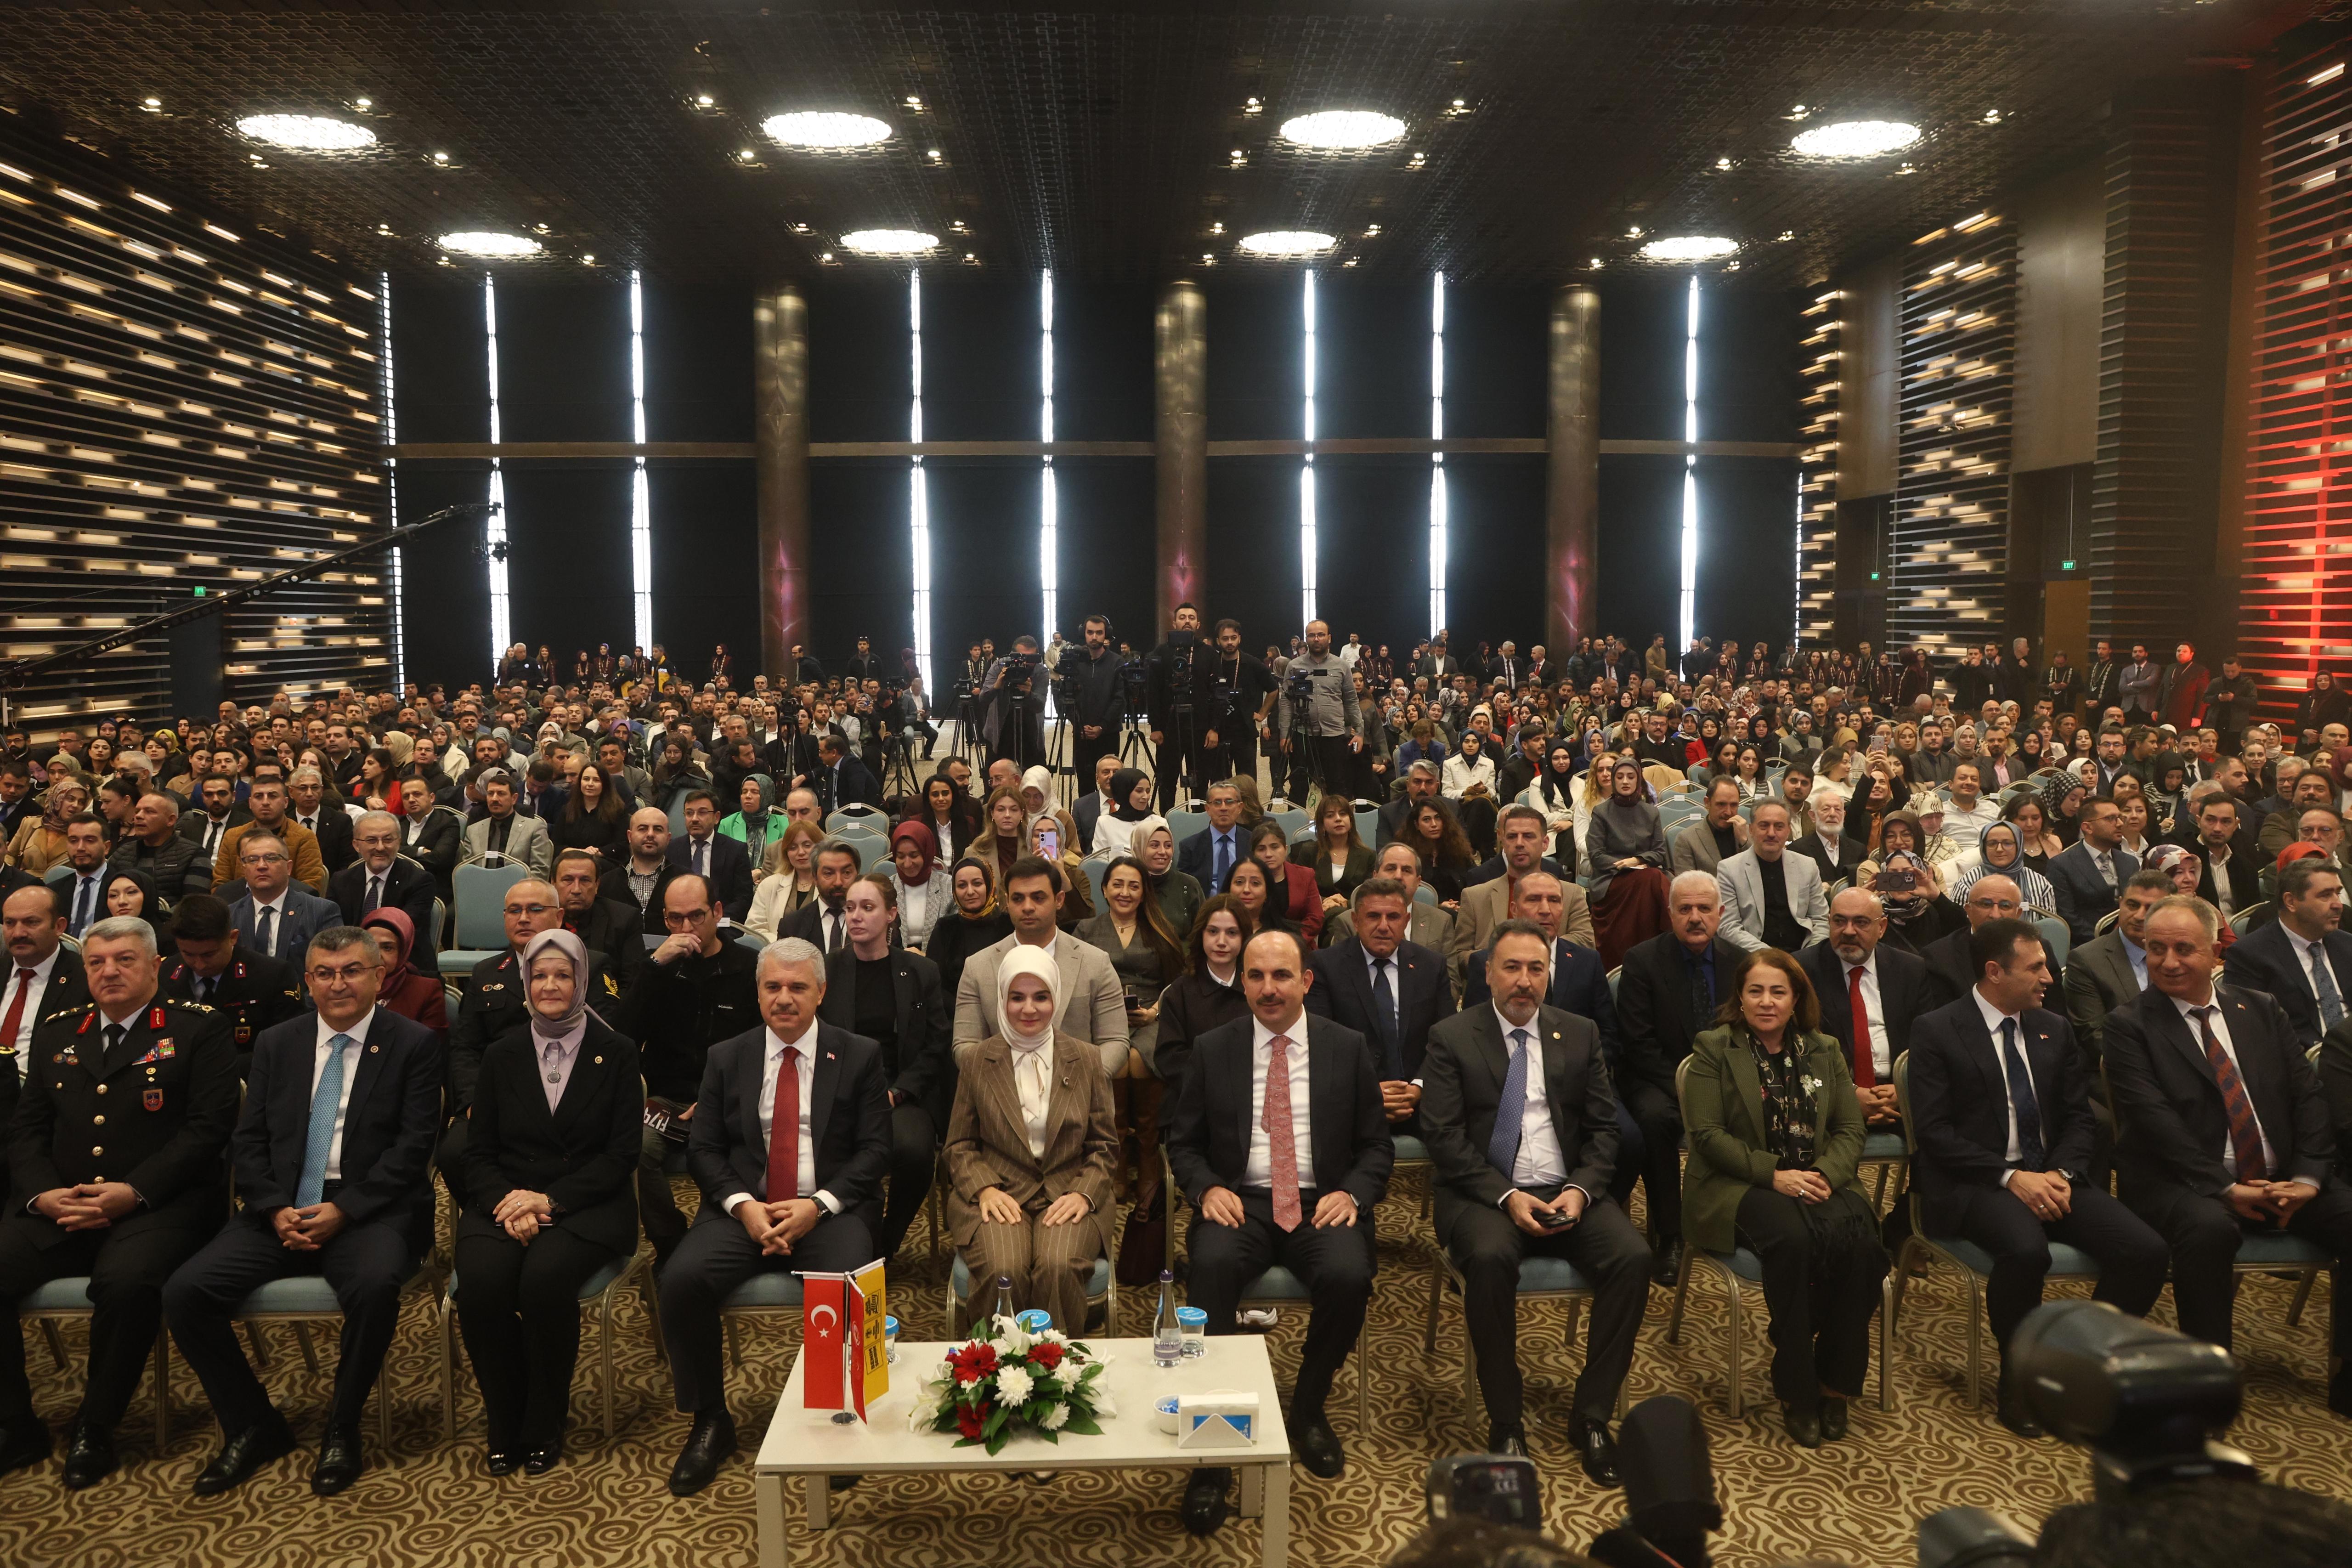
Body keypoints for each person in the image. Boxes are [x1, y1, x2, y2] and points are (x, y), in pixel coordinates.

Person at [161, 924, 443, 1495]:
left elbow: (414, 1148)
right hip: (282, 1207)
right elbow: (250, 1138)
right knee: (184, 1293)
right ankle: (252, 1422)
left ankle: (343, 1424)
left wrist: (345, 1211)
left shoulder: (412, 1042)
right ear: (308, 980)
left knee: (372, 1286)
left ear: (379, 975)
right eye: (324, 972)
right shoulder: (277, 1042)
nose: (337, 983)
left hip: (372, 1208)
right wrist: (271, 1207)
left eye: (351, 971)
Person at [1903, 916, 2169, 1433]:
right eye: (2036, 967)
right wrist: (2010, 1178)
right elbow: (1934, 1133)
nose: (2049, 976)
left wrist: (2061, 1172)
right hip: (1973, 1181)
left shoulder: (2053, 1027)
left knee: (2145, 1250)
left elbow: (2079, 1116)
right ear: (1994, 971)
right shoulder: (1937, 1029)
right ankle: (2019, 1377)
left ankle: (2083, 1366)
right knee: (2026, 1250)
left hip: (2051, 1174)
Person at [1165, 928, 1391, 1531]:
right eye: (1258, 976)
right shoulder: (1215, 1048)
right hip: (1242, 1201)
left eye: (1282, 976)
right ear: (1244, 982)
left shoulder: (1347, 1047)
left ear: (1306, 982)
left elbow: (1376, 1145)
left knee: (1349, 1274)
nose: (1270, 989)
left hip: (1322, 1202)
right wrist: (1207, 1187)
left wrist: (1354, 1193)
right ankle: (1212, 1452)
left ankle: (1309, 1407)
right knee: (1210, 1269)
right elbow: (1182, 1142)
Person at [0, 917, 237, 1487]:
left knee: (127, 1283)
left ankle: (95, 1423)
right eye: (97, 961)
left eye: (124, 959)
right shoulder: (62, 1030)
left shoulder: (197, 1028)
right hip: (64, 1204)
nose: (108, 971)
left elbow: (208, 1130)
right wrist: (41, 1195)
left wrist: (133, 1191)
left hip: (162, 1204)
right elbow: (27, 1129)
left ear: (155, 965)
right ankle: (16, 1424)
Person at [657, 939, 894, 1497]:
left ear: (821, 992)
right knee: (680, 1280)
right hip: (746, 1208)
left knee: (851, 1284)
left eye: (797, 987)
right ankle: (711, 1420)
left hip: (829, 1208)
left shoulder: (858, 1053)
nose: (784, 998)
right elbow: (705, 1150)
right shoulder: (727, 1055)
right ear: (758, 991)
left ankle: (838, 1414)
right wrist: (744, 1207)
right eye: (772, 987)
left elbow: (876, 1151)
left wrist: (818, 1205)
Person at [1419, 919, 1651, 1480]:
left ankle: (1592, 1415)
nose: (1524, 980)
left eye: (1535, 968)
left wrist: (1580, 1189)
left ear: (1548, 973)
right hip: (1483, 1190)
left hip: (1565, 1187)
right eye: (1512, 967)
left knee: (1633, 1257)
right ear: (1488, 973)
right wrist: (1505, 1195)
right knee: (1492, 1259)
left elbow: (1603, 1129)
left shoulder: (1578, 1031)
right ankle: (1506, 1417)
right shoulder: (1451, 1036)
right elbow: (1444, 1138)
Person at [2103, 895, 2352, 1413]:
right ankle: (2206, 1380)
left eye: (2182, 948)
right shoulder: (2129, 1025)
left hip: (2279, 1177)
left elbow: (2306, 1096)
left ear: (2215, 951)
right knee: (2209, 1229)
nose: (2167, 961)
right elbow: (2155, 1124)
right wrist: (2223, 1187)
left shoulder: (2258, 1007)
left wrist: (2307, 1177)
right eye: (2154, 949)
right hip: (2178, 1181)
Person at [1681, 947, 1888, 1447]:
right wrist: (1777, 1174)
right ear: (1740, 997)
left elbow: (1847, 1128)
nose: (1766, 1001)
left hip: (1820, 1177)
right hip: (1739, 1182)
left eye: (1778, 991)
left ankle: (1833, 1384)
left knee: (1864, 1244)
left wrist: (1819, 1172)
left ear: (1796, 999)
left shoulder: (1823, 1048)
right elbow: (1706, 1135)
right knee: (1793, 1239)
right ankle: (1796, 1389)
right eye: (1755, 990)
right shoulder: (1714, 1047)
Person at [454, 929, 642, 1475]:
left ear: (582, 978)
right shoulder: (501, 1054)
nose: (551, 984)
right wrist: (511, 1203)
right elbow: (479, 1152)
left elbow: (620, 1156)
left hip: (589, 1203)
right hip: (505, 1201)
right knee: (483, 1285)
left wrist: (550, 1200)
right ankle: (503, 1415)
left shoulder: (617, 1051)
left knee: (541, 1281)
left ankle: (543, 1418)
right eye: (539, 975)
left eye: (563, 973)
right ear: (524, 982)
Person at [942, 946, 1117, 1330]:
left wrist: (1084, 1193)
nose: (1029, 1009)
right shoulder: (977, 1060)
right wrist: (984, 1189)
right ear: (1002, 999)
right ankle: (995, 1373)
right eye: (1017, 997)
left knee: (1057, 1266)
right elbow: (959, 1145)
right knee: (1004, 1268)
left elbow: (1104, 1146)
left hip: (1069, 1190)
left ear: (1057, 997)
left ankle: (1057, 1374)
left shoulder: (1086, 1058)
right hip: (999, 1192)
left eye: (1041, 996)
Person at [438, 878, 619, 1192]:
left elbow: (608, 1040)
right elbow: (466, 1047)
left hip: (568, 1096)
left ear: (559, 917)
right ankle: (499, 1213)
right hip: (496, 1099)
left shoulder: (590, 965)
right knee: (454, 1154)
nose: (523, 918)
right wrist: (472, 1101)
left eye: (535, 909)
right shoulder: (485, 973)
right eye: (514, 910)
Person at [616, 875, 761, 1262]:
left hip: (732, 1096)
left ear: (716, 913)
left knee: (728, 1159)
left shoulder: (749, 966)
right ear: (664, 919)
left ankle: (713, 1243)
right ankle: (672, 1244)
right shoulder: (656, 969)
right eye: (675, 919)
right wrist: (653, 967)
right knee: (632, 1149)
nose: (686, 929)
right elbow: (621, 1035)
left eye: (695, 916)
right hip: (666, 1097)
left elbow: (764, 1046)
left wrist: (722, 1097)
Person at [1615, 872, 1747, 1286]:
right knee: (1655, 1121)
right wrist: (1688, 1087)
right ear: (1669, 914)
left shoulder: (1740, 963)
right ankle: (1670, 1235)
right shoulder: (1642, 961)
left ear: (1720, 913)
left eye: (1704, 909)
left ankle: (1736, 1221)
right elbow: (1637, 1043)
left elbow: (1749, 1035)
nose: (1695, 918)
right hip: (1658, 1080)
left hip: (1725, 1081)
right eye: (1684, 909)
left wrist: (1717, 1086)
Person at [815, 874, 953, 1261]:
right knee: (835, 1148)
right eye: (851, 908)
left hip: (901, 1091)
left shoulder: (920, 971)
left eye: (868, 907)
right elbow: (818, 1037)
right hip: (842, 1090)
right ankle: (854, 1234)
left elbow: (935, 1044)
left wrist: (898, 1090)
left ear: (892, 914)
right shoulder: (828, 970)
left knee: (913, 1150)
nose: (856, 916)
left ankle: (889, 1238)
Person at [1306, 877, 1457, 1141]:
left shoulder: (1431, 966)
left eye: (1394, 917)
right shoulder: (1326, 966)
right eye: (1373, 916)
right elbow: (1322, 1043)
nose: (1384, 927)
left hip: (1421, 1102)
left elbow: (1446, 1040)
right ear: (1355, 921)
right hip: (1351, 1103)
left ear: (1407, 922)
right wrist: (1370, 1092)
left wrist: (1419, 1087)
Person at [951, 857, 1128, 1072]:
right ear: (1007, 902)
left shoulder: (1096, 963)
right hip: (1001, 1095)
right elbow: (964, 1046)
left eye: (1038, 898)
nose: (1027, 907)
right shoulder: (977, 967)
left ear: (1059, 900)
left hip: (1079, 1095)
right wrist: (1001, 1086)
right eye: (1018, 899)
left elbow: (1115, 1041)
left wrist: (1082, 1083)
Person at [1797, 889, 1929, 1148]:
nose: (1848, 931)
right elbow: (1799, 1046)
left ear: (1881, 928)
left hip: (1898, 1090)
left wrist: (1904, 1089)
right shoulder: (1803, 970)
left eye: (1861, 922)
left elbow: (1927, 1043)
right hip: (1830, 1094)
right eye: (1839, 921)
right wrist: (1849, 1095)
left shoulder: (1911, 969)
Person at [1454, 804, 1591, 968]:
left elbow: (1586, 942)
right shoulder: (1474, 896)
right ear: (1503, 843)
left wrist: (1533, 948)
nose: (1519, 843)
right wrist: (1502, 959)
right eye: (1512, 837)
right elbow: (1459, 957)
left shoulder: (1572, 893)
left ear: (1545, 843)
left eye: (1528, 836)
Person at [1585, 758, 1672, 968]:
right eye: (1620, 777)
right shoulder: (1601, 812)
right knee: (1654, 879)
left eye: (1631, 777)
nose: (1625, 782)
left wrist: (1639, 860)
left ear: (1639, 780)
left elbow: (1660, 852)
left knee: (1652, 878)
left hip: (1645, 874)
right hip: (1611, 878)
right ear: (1613, 781)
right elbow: (1596, 855)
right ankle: (1672, 938)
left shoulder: (1651, 812)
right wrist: (1622, 864)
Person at [1714, 801, 1827, 953]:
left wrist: (1810, 955)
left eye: (1779, 827)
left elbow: (1821, 920)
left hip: (1804, 954)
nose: (1772, 833)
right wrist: (1773, 958)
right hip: (1755, 956)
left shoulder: (1808, 866)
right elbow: (1728, 927)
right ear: (1751, 830)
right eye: (1764, 826)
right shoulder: (1729, 869)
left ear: (1788, 831)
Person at [227, 830, 341, 963]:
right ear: (244, 870)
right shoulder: (230, 915)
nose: (261, 866)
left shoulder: (321, 911)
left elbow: (334, 964)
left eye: (271, 858)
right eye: (253, 860)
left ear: (289, 868)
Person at [551, 848, 647, 991]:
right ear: (553, 884)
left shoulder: (624, 919)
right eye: (568, 880)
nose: (576, 889)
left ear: (597, 886)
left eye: (585, 880)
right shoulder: (538, 917)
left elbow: (632, 983)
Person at [328, 809, 436, 935]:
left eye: (388, 840)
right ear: (356, 845)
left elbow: (402, 931)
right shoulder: (340, 881)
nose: (380, 847)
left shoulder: (420, 881)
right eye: (371, 841)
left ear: (398, 842)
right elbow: (331, 930)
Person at [924, 856, 1013, 1003]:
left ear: (990, 885)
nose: (970, 891)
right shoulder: (945, 928)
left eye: (977, 884)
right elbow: (934, 984)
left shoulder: (1009, 925)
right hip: (955, 1013)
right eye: (962, 886)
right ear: (955, 891)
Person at [106, 789, 211, 905]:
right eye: (137, 812)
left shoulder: (194, 855)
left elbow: (194, 905)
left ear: (171, 820)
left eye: (150, 812)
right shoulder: (121, 854)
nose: (139, 816)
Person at [359, 906, 449, 1036]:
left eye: (388, 948)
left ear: (403, 952)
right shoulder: (345, 984)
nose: (377, 955)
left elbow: (431, 1049)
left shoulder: (426, 991)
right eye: (370, 946)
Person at [668, 790, 753, 923]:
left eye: (702, 813)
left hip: (723, 925)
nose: (695, 819)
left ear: (717, 817)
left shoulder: (735, 850)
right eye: (689, 813)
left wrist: (715, 922)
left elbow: (743, 899)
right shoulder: (671, 849)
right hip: (680, 925)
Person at [458, 768, 552, 880]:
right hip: (481, 889)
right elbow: (467, 870)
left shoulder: (534, 829)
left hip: (520, 892)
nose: (494, 799)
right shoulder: (473, 830)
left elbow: (540, 872)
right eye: (490, 794)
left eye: (501, 794)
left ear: (514, 798)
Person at [1952, 820, 2057, 919]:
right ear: (1984, 847)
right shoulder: (1968, 882)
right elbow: (1957, 924)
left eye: (2007, 843)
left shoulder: (2040, 883)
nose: (1999, 849)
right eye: (1992, 844)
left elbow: (2049, 928)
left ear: (2019, 846)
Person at [777, 836, 862, 956]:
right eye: (829, 874)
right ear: (815, 878)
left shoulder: (876, 921)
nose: (838, 882)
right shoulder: (792, 926)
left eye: (847, 873)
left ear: (857, 875)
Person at [1250, 819, 1325, 946]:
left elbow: (1315, 918)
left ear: (1285, 849)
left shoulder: (1305, 875)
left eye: (1275, 847)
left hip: (1298, 945)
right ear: (1254, 854)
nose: (1269, 854)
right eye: (1261, 849)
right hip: (1256, 944)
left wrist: (1290, 941)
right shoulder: (1247, 880)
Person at [746, 819, 824, 939]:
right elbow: (754, 930)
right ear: (786, 852)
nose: (801, 852)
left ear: (820, 848)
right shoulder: (769, 885)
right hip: (777, 953)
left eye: (807, 845)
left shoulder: (831, 886)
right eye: (793, 848)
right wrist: (783, 946)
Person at [1174, 779, 1250, 895]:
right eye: (1217, 803)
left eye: (1229, 802)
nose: (1224, 808)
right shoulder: (1191, 847)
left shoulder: (1252, 842)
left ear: (1240, 808)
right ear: (1208, 809)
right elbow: (1182, 889)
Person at [1670, 779, 1750, 878]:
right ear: (1707, 803)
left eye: (1734, 805)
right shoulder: (1687, 839)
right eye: (1722, 804)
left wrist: (1744, 842)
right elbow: (1687, 887)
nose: (1728, 812)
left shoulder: (1749, 833)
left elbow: (1760, 874)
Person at [552, 761, 631, 861]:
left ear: (605, 784)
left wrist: (598, 852)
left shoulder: (618, 810)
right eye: (586, 779)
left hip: (606, 862)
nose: (590, 784)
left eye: (596, 780)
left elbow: (621, 845)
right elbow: (557, 845)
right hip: (572, 861)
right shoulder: (567, 809)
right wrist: (581, 853)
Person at [1090, 766, 1157, 861]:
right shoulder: (1105, 822)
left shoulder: (1158, 822)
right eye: (1139, 791)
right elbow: (1099, 862)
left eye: (1148, 791)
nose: (1146, 797)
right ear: (1124, 792)